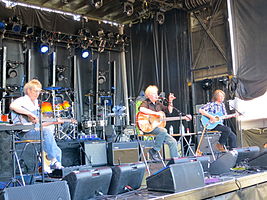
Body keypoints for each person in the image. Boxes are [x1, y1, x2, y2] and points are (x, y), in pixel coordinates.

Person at [10, 79, 64, 170]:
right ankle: (54, 160)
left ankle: (57, 171)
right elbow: (13, 106)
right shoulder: (22, 100)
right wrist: (29, 114)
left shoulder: (35, 104)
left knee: (56, 148)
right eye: (35, 91)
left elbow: (38, 124)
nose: (37, 93)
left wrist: (53, 122)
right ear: (28, 90)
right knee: (46, 132)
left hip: (34, 132)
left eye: (39, 91)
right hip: (24, 134)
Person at [139, 85, 188, 161]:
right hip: (147, 128)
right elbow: (141, 109)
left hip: (158, 130)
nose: (157, 95)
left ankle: (176, 161)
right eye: (154, 94)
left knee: (173, 142)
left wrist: (170, 101)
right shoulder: (146, 102)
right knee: (163, 130)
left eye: (157, 93)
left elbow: (169, 111)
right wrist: (155, 114)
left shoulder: (158, 103)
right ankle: (154, 150)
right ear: (149, 95)